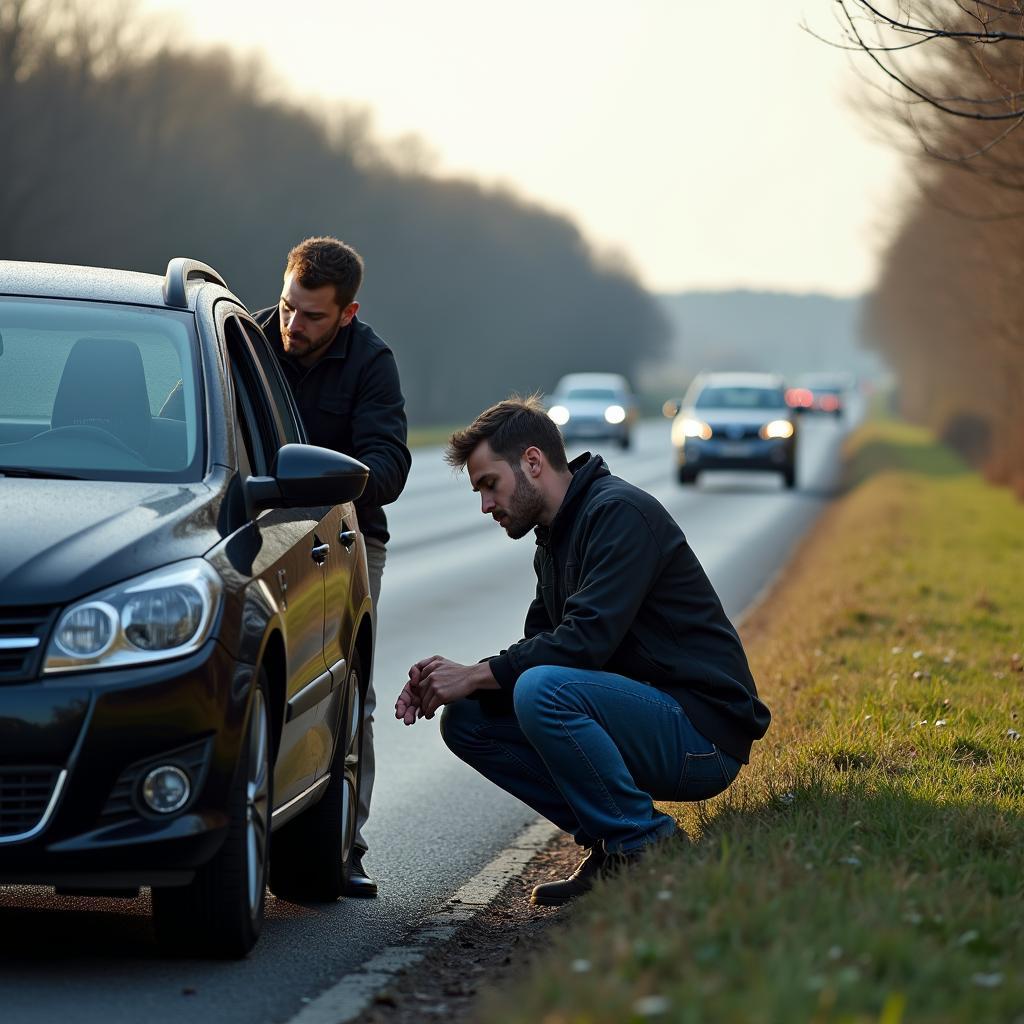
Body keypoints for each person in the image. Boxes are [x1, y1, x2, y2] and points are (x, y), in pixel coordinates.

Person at [395, 394, 769, 905]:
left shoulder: (618, 513)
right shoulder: (554, 536)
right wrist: (451, 682)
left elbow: (583, 644)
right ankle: (612, 844)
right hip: (648, 717)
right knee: (468, 719)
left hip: (702, 735)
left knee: (543, 688)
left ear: (532, 462)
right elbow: (539, 645)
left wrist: (477, 673)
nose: (485, 505)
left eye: (489, 484)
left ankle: (647, 845)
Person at [257, 236, 411, 898]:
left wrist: (343, 481)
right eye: (289, 307)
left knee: (350, 693)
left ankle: (345, 845)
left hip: (345, 537)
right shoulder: (248, 342)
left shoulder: (373, 362)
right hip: (259, 534)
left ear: (346, 314)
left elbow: (391, 461)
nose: (294, 325)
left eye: (313, 316)